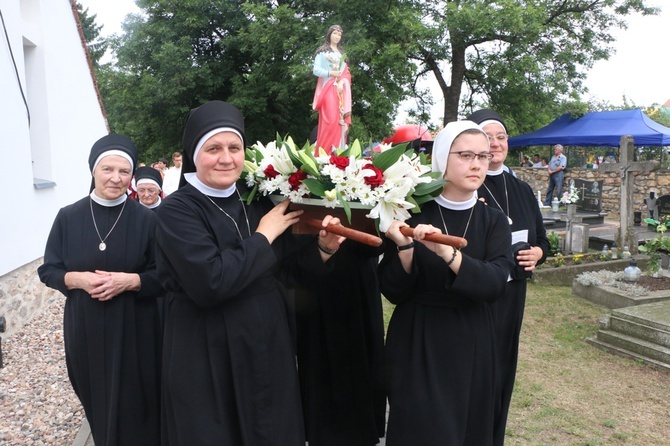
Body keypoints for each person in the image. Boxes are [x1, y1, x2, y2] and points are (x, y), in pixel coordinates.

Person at [155, 100, 344, 445]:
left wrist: (324, 248)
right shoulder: (175, 212)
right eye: (213, 148)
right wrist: (264, 235)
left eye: (234, 147)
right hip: (205, 347)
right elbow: (210, 282)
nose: (226, 158)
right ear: (194, 154)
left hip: (266, 342)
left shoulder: (256, 199)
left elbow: (287, 270)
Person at [379, 120, 514, 445]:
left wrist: (447, 254)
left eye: (482, 156)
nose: (477, 164)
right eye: (466, 155)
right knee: (418, 429)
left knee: (467, 430)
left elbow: (495, 283)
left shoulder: (494, 221)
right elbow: (392, 290)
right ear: (443, 158)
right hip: (418, 341)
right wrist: (406, 248)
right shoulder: (410, 212)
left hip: (473, 341)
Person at [38, 134, 163, 446]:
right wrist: (77, 279)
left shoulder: (146, 219)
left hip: (136, 325)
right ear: (93, 171)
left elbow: (166, 275)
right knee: (95, 395)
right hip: (86, 325)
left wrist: (131, 281)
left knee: (138, 402)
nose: (116, 178)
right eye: (108, 169)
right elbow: (48, 270)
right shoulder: (69, 217)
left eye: (124, 172)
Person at [469, 108, 549, 446]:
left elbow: (542, 239)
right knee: (477, 371)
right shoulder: (469, 184)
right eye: (488, 137)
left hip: (513, 294)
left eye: (501, 137)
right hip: (479, 292)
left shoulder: (523, 190)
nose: (496, 143)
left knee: (503, 369)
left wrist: (539, 254)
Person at [293, 241, 386, 445]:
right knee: (321, 369)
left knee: (363, 368)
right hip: (316, 285)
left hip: (359, 286)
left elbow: (379, 245)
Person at [312, 25, 352, 155]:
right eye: (335, 33)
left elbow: (346, 74)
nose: (337, 36)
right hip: (328, 88)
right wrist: (330, 73)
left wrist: (343, 83)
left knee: (339, 121)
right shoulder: (322, 52)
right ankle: (324, 152)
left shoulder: (342, 54)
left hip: (340, 90)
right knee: (329, 120)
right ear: (329, 34)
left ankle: (337, 151)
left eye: (339, 35)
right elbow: (316, 70)